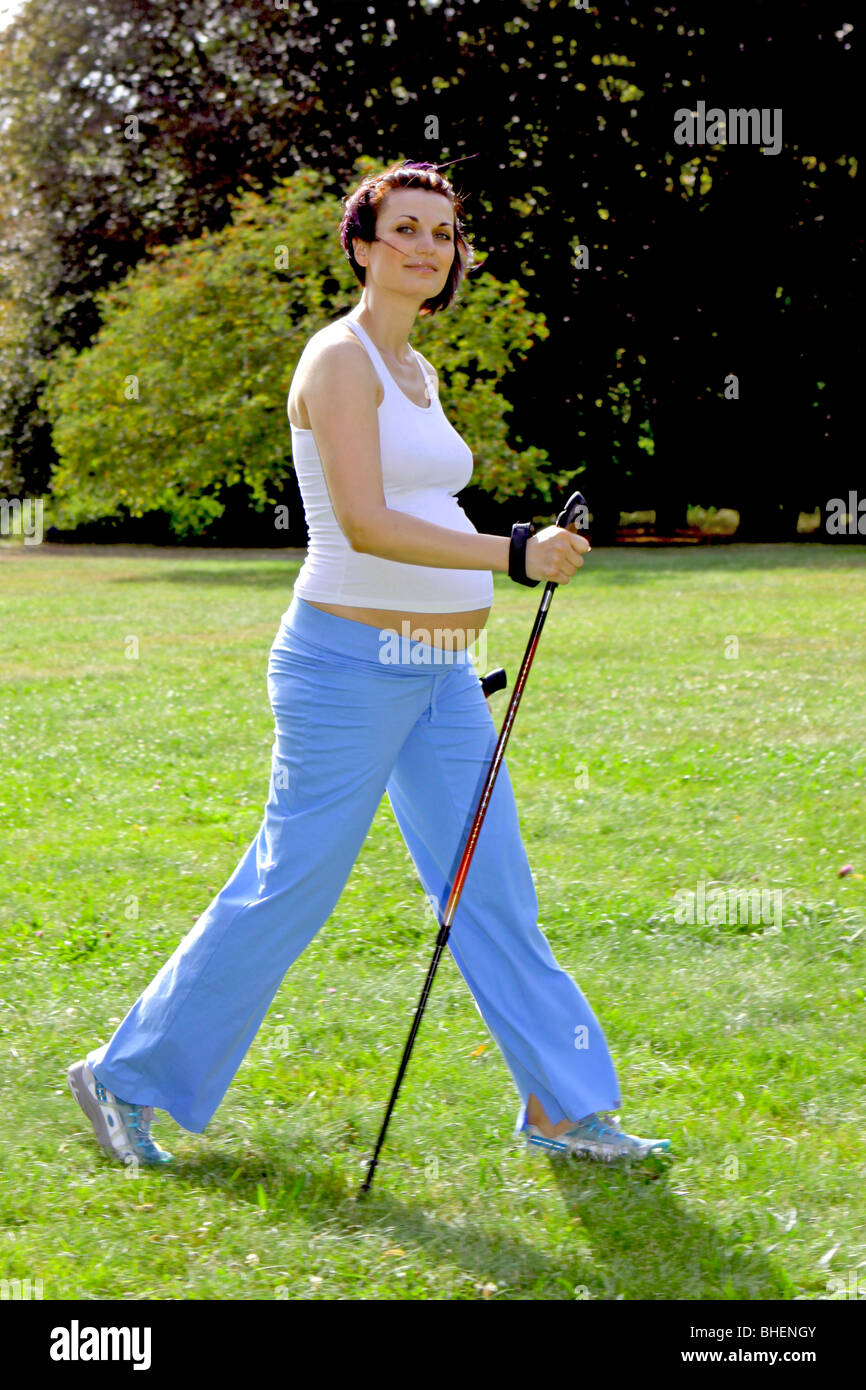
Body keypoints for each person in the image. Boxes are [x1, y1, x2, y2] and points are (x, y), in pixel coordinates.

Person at [67, 158, 671, 1169]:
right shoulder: (336, 360)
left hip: (438, 671)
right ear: (361, 245)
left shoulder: (416, 371)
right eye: (406, 229)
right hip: (344, 666)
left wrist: (506, 548)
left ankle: (561, 1107)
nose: (428, 247)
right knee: (291, 881)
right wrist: (509, 554)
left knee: (492, 886)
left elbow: (428, 506)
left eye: (443, 232)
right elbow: (362, 519)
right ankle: (122, 1077)